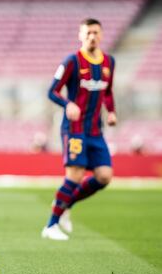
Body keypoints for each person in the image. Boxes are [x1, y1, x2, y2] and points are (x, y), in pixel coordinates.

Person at [42, 18, 117, 240]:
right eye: (87, 33)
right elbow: (52, 91)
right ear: (80, 35)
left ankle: (65, 204)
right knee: (74, 175)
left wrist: (111, 111)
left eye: (95, 32)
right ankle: (50, 225)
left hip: (96, 130)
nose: (91, 36)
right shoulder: (72, 61)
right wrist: (68, 104)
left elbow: (109, 91)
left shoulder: (109, 62)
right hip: (74, 129)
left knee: (104, 176)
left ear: (101, 35)